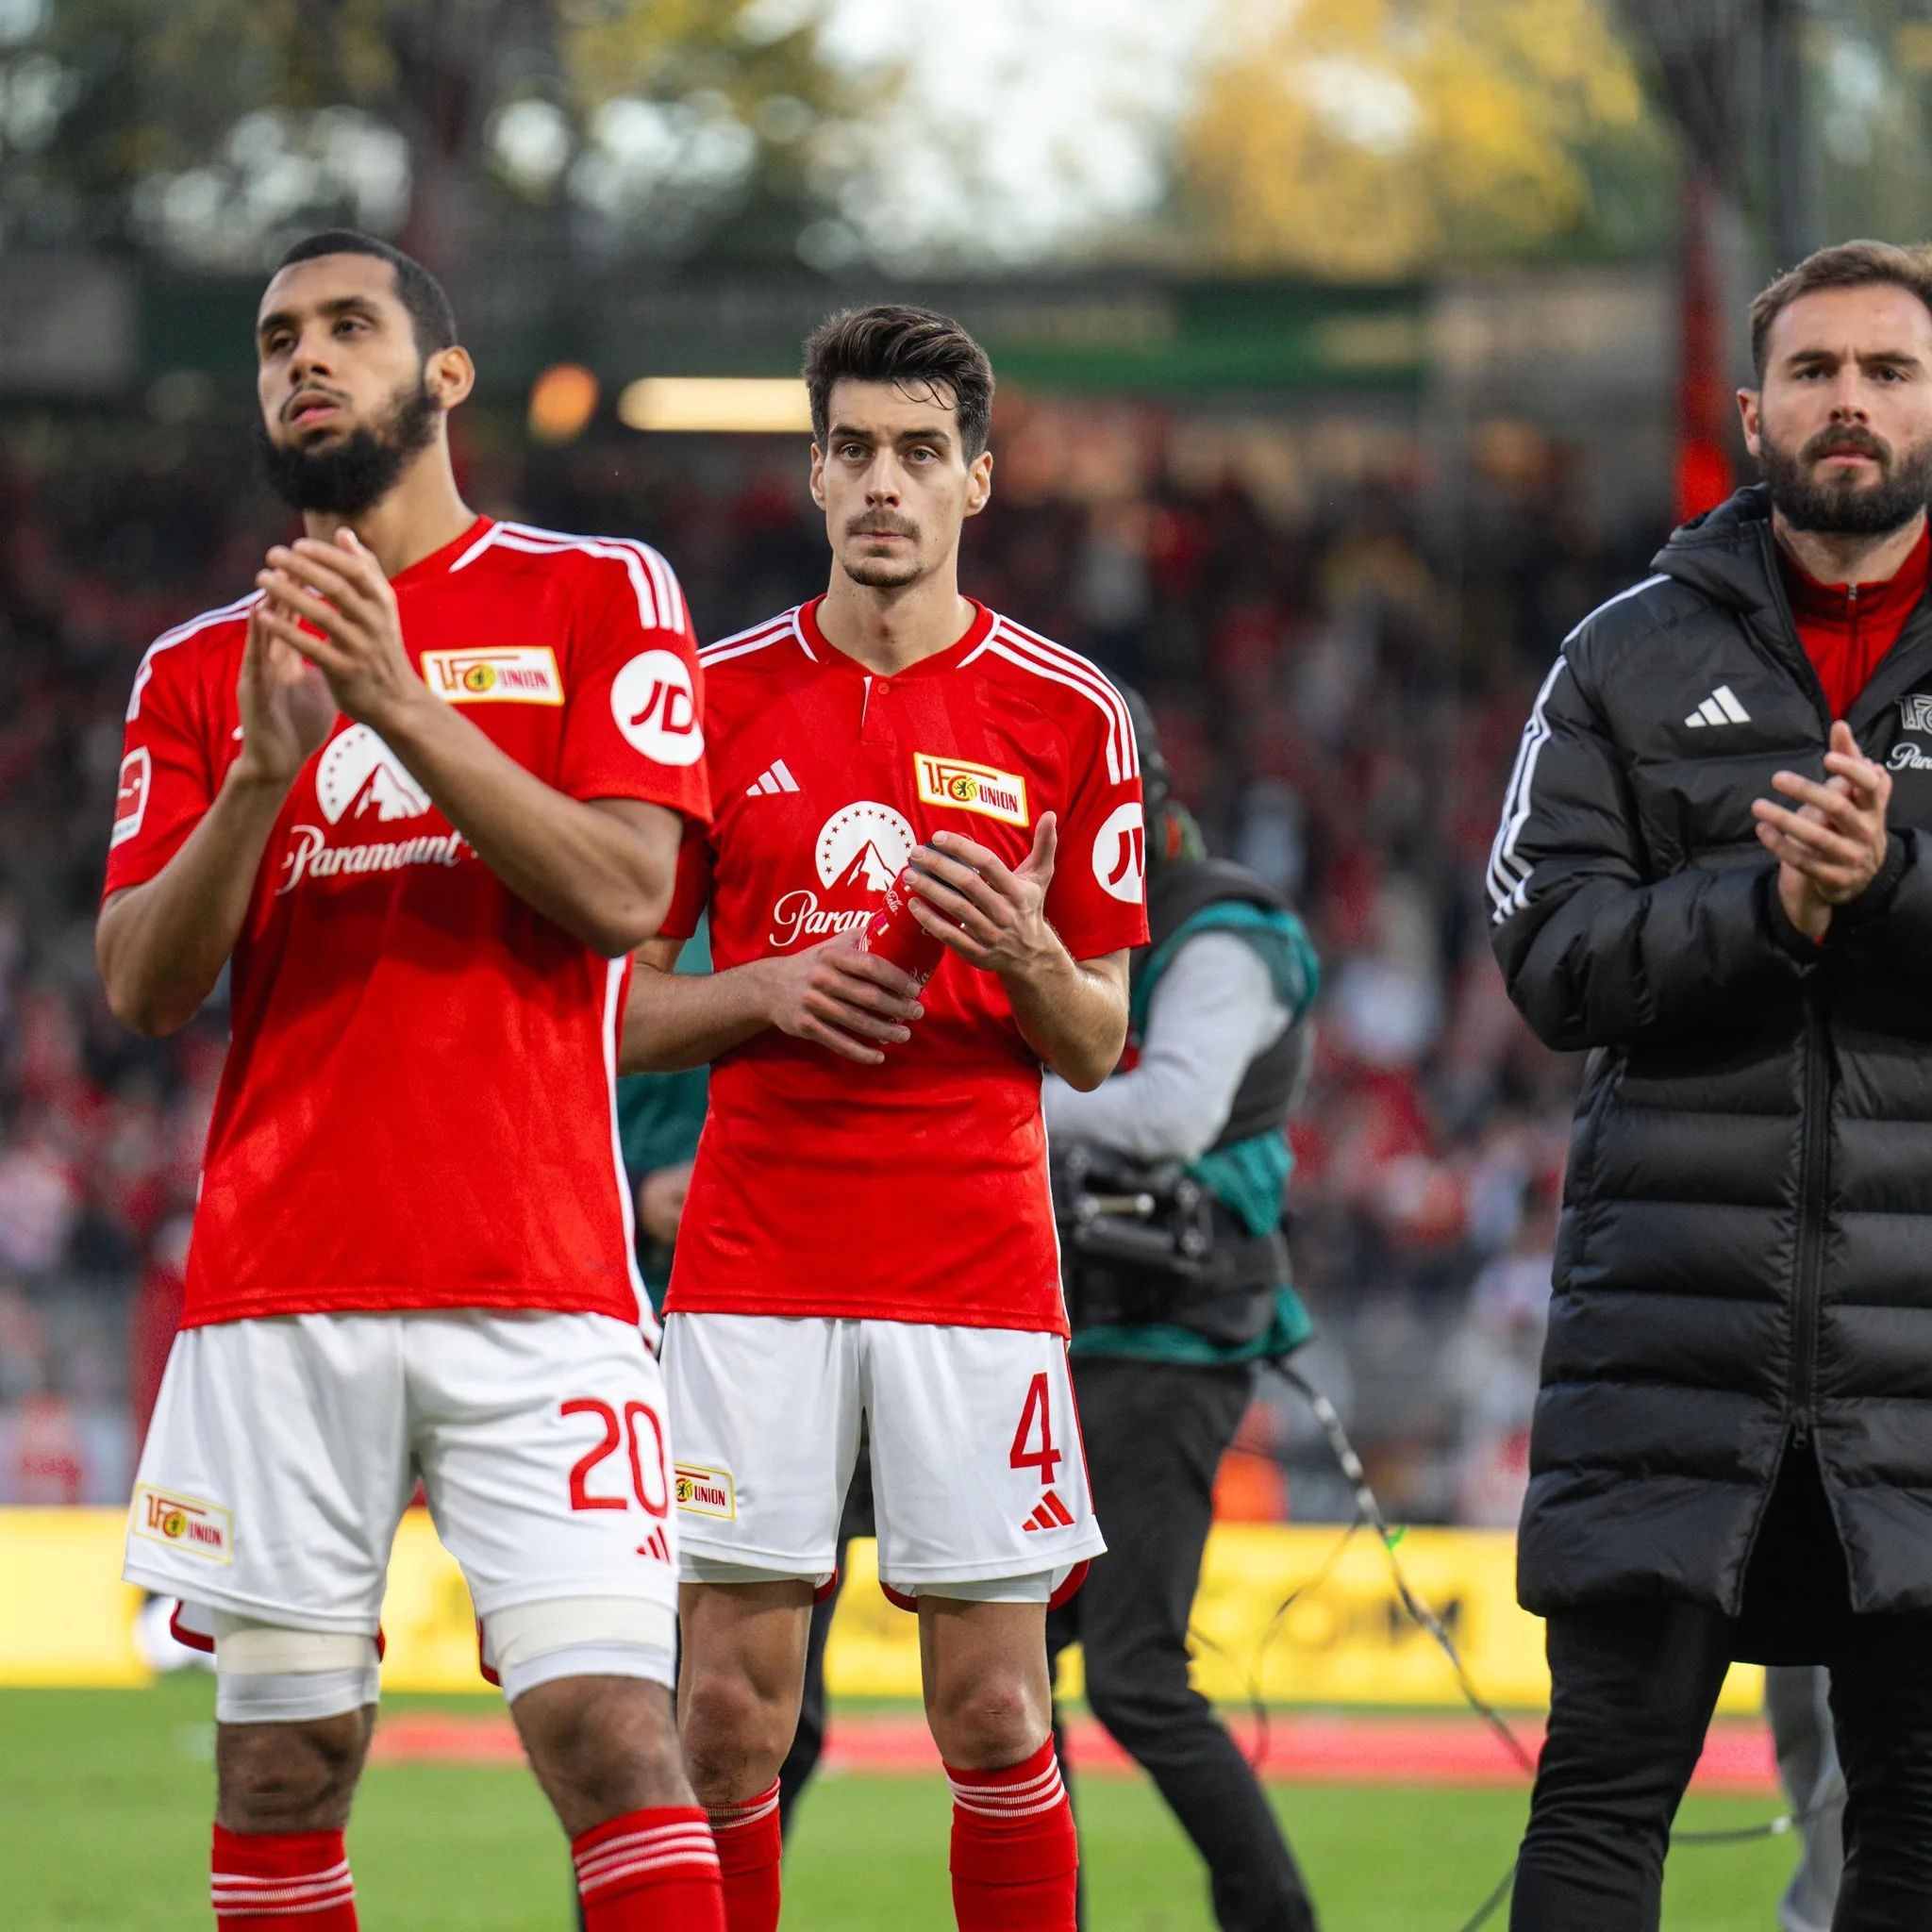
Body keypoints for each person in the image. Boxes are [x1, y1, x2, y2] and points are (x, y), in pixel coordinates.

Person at [99, 229, 723, 1932]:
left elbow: (624, 896)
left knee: (611, 1735)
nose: (305, 357)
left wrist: (399, 704)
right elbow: (143, 986)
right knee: (283, 1768)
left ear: (442, 376)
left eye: (348, 327)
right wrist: (256, 780)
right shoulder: (192, 669)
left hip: (538, 1280)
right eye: (275, 336)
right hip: (278, 1288)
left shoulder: (596, 593)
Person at [621, 304, 1148, 1932]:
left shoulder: (1072, 717)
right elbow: (617, 1019)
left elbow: (1099, 1045)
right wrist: (764, 995)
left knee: (995, 1713)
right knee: (723, 1720)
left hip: (974, 1265)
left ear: (978, 481)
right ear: (813, 472)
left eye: (921, 453)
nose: (884, 485)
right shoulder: (703, 701)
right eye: (853, 449)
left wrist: (1027, 949)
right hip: (755, 1255)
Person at [1488, 238, 1932, 1929]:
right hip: (1669, 1346)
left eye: (1888, 370)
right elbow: (1546, 954)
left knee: (1922, 1820)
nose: (1851, 403)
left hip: (1921, 1363)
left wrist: (1881, 890)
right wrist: (1776, 910)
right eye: (1817, 370)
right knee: (1602, 1800)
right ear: (1754, 410)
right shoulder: (1621, 656)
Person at [1041, 690, 1322, 1932]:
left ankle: (1277, 1918)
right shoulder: (1114, 920)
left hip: (1169, 1334)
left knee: (1137, 1674)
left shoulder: (1223, 931)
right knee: (1006, 1677)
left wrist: (972, 1106)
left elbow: (1168, 1118)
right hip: (1072, 1329)